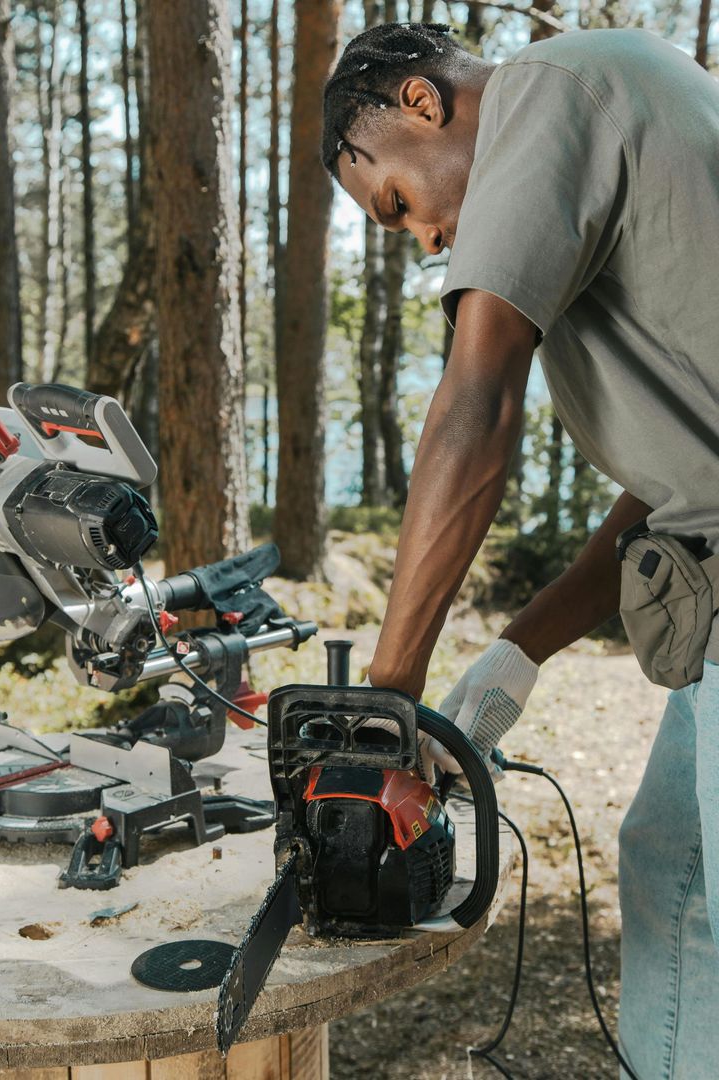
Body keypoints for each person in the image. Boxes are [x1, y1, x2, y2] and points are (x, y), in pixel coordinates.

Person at [321, 21, 719, 1080]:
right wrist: (512, 662)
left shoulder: (548, 89)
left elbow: (477, 403)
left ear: (421, 103)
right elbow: (678, 490)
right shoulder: (614, 108)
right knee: (675, 875)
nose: (421, 239)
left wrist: (386, 705)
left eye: (396, 204)